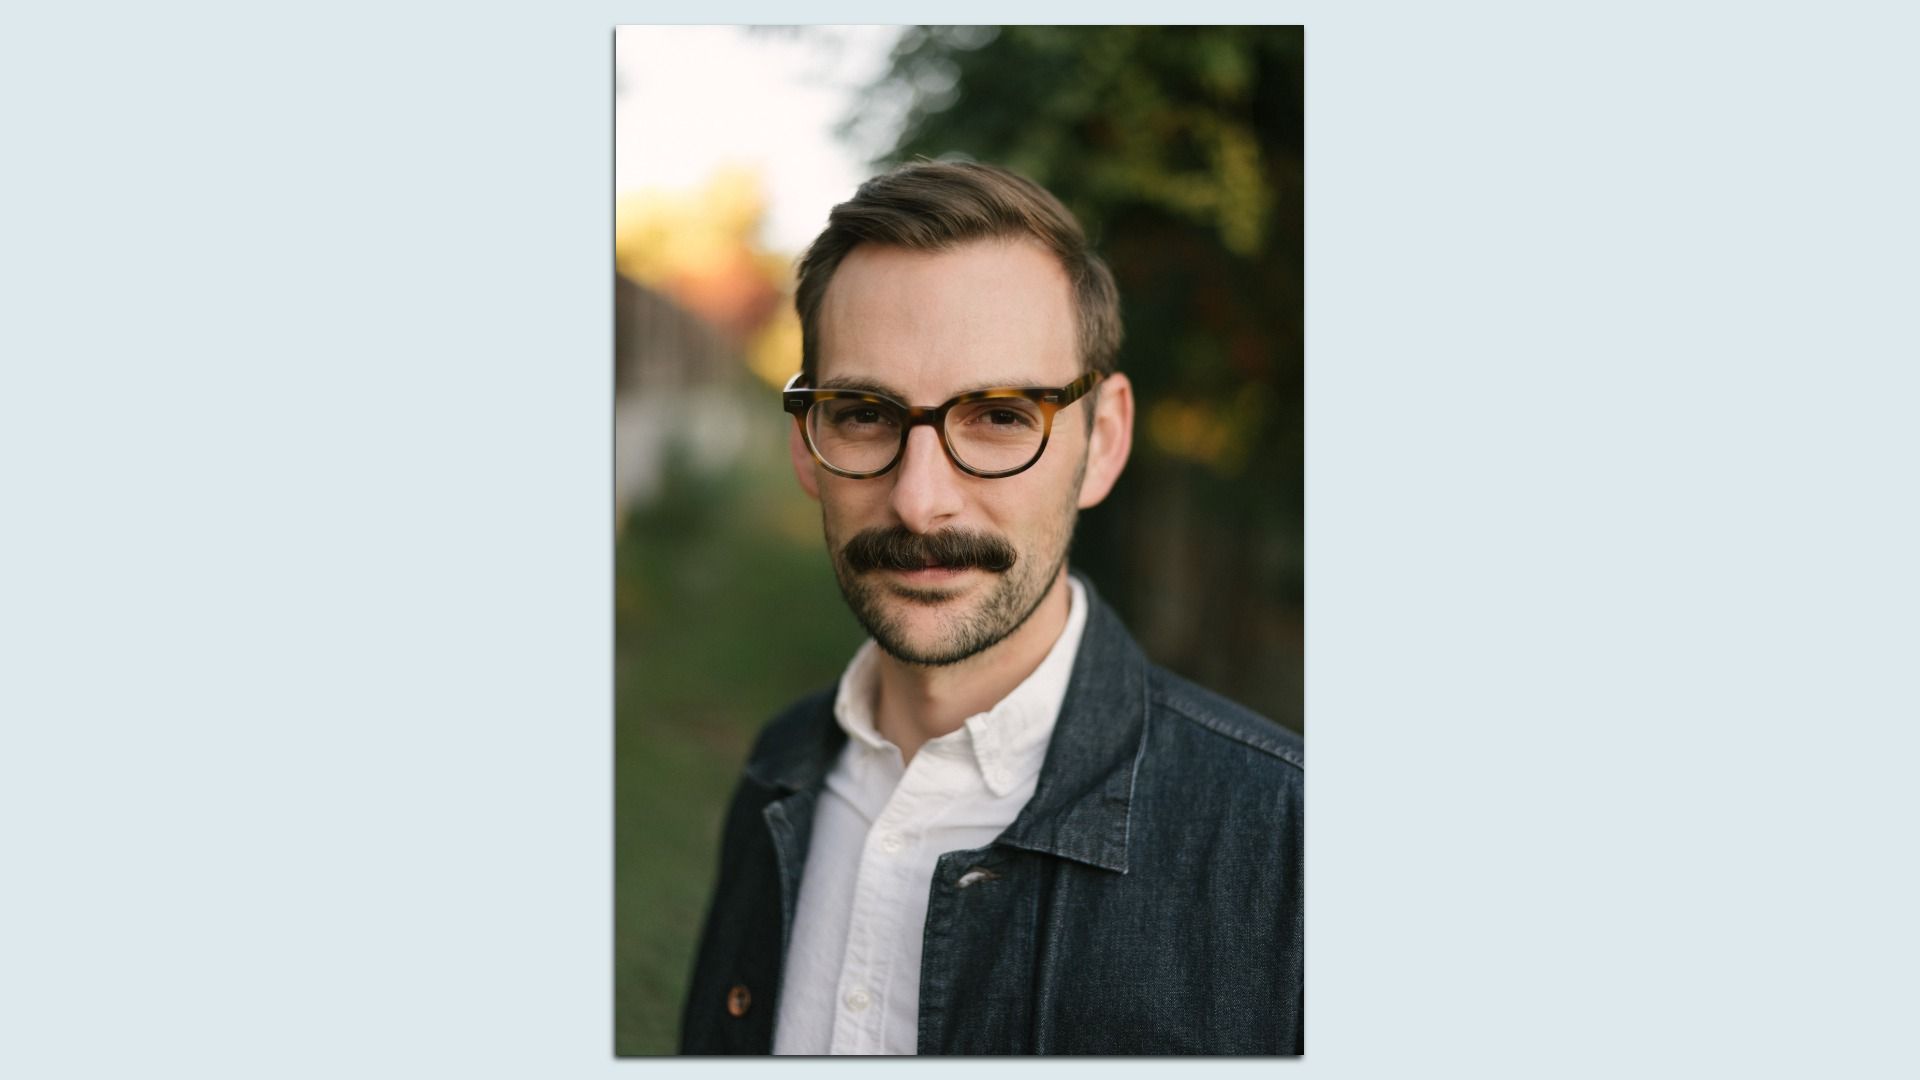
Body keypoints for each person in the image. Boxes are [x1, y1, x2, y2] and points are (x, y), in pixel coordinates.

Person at [678, 161, 1303, 1056]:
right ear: (808, 447)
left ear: (1105, 442)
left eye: (1001, 416)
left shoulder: (1290, 853)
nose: (920, 501)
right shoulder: (779, 770)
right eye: (863, 413)